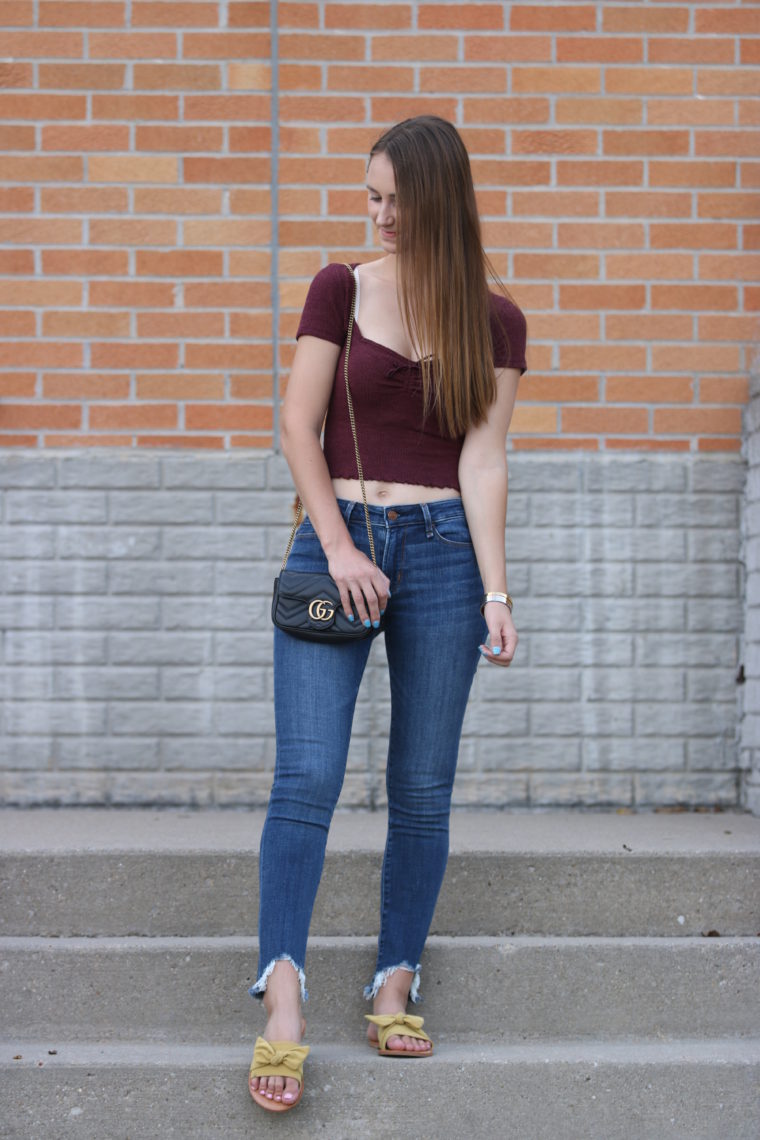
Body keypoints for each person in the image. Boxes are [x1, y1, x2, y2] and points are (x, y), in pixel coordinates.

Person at [248, 114, 527, 1112]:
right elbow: (297, 421)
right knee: (308, 774)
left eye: (393, 199)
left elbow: (482, 459)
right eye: (369, 196)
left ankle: (393, 982)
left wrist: (496, 588)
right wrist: (334, 543)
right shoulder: (340, 287)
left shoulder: (494, 321)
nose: (378, 215)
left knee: (420, 785)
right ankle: (283, 998)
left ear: (437, 201)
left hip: (446, 553)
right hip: (341, 541)